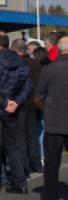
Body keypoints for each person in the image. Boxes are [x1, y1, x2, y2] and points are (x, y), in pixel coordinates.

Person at [0, 31, 33, 196]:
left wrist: (5, 103)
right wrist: (16, 102)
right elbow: (28, 86)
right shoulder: (21, 62)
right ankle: (20, 183)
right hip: (11, 110)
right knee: (13, 146)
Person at [34, 35, 68, 200]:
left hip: (54, 121)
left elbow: (38, 97)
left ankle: (50, 196)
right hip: (58, 120)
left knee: (52, 164)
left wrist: (47, 111)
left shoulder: (49, 69)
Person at [13, 38, 43, 174]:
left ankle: (24, 165)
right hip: (34, 103)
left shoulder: (17, 64)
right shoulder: (36, 64)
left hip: (21, 104)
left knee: (20, 137)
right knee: (32, 135)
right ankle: (36, 163)